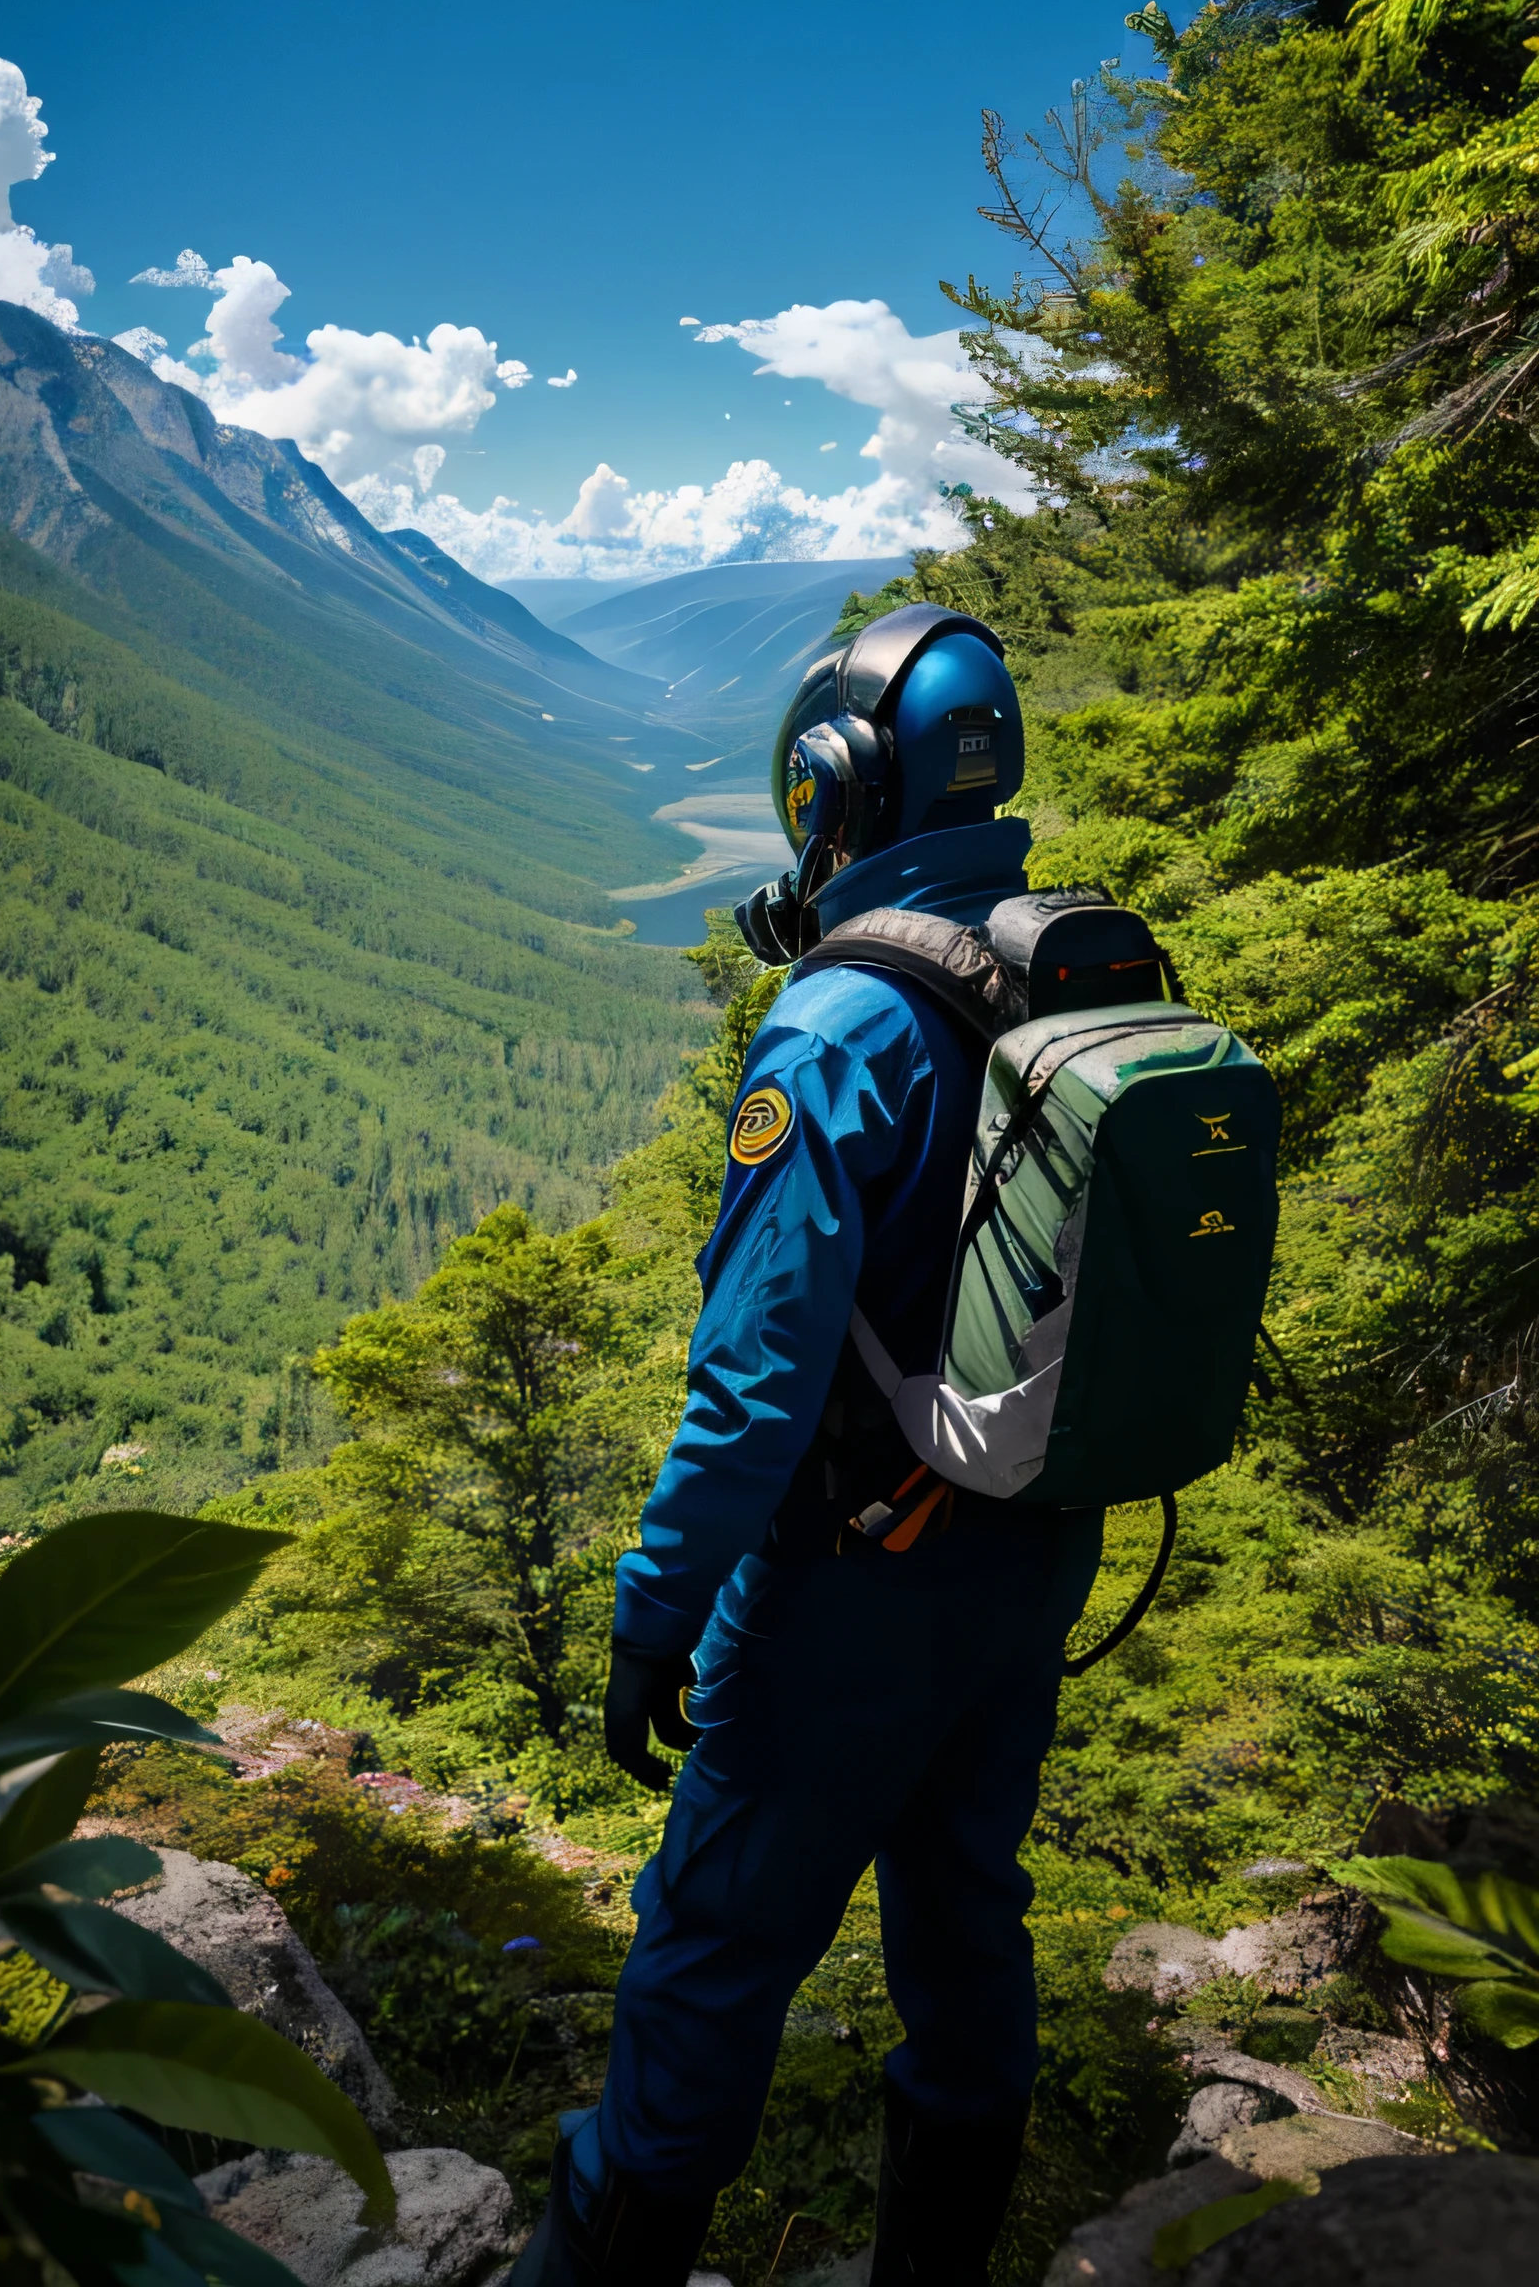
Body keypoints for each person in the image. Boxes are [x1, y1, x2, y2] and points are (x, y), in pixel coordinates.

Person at [514, 606, 1105, 2287]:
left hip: (855, 1581)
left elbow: (754, 1391)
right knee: (962, 1913)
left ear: (835, 783)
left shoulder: (837, 1029)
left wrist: (654, 1612)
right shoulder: (1054, 956)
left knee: (710, 1951)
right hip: (1027, 1545)